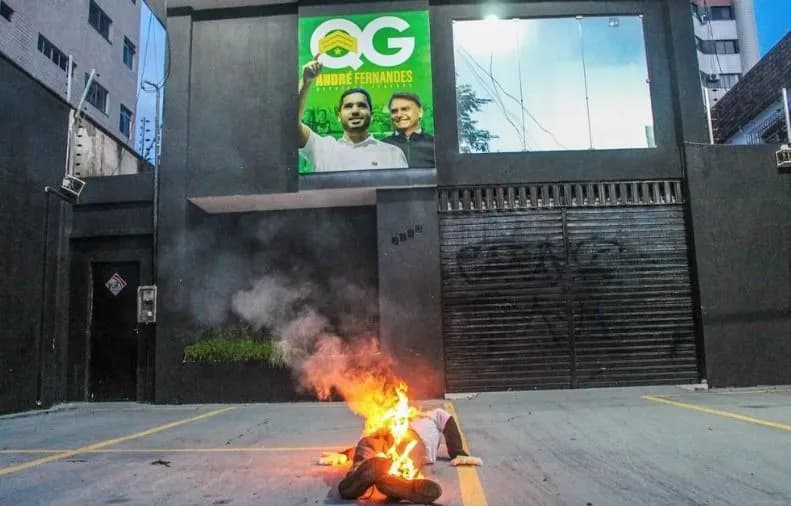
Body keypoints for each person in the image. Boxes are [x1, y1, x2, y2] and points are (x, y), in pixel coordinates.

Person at [320, 408, 482, 504]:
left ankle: (396, 483)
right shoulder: (393, 415)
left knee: (407, 448)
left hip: (416, 440)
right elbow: (371, 443)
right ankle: (358, 479)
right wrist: (344, 454)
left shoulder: (431, 415)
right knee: (368, 442)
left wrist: (457, 451)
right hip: (388, 438)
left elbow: (448, 422)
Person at [299, 58, 408, 172]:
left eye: (361, 105)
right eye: (348, 106)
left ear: (372, 115)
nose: (355, 111)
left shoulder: (392, 154)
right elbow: (291, 125)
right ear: (338, 116)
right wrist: (306, 82)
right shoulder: (323, 148)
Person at [383, 92, 436, 168]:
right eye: (394, 111)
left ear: (420, 112)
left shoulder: (435, 145)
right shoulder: (382, 147)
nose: (399, 115)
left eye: (405, 109)